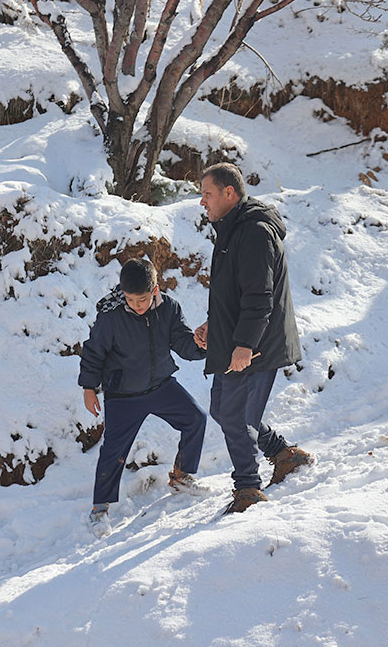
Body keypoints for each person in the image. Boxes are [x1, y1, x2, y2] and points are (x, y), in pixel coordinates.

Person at [194, 162, 313, 514]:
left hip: (258, 344)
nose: (203, 202)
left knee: (235, 416)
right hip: (239, 339)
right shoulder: (233, 229)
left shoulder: (255, 232)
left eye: (207, 194)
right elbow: (236, 291)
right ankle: (283, 453)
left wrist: (245, 345)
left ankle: (248, 489)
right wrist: (213, 324)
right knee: (223, 410)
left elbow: (260, 297)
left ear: (229, 193)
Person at [79, 258, 209, 536]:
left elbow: (183, 343)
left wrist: (201, 345)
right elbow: (93, 352)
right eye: (130, 299)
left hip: (161, 386)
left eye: (142, 299)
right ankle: (99, 509)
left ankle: (182, 476)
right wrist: (89, 388)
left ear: (155, 290)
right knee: (113, 451)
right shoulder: (111, 316)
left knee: (196, 419)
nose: (136, 305)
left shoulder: (169, 308)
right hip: (123, 394)